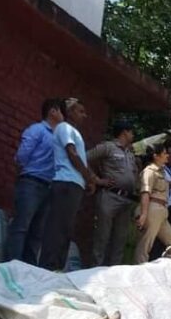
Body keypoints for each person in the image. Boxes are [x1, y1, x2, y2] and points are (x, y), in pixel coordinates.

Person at [39, 98, 101, 270]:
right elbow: (72, 153)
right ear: (70, 112)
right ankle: (48, 267)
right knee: (57, 228)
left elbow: (80, 158)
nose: (84, 115)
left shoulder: (74, 131)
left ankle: (57, 268)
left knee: (65, 228)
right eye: (80, 111)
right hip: (65, 183)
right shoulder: (64, 128)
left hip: (74, 184)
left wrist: (89, 179)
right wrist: (88, 177)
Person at [6, 98, 64, 263]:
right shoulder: (37, 130)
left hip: (48, 187)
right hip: (31, 183)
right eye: (61, 111)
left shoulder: (59, 138)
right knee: (21, 227)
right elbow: (22, 155)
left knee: (37, 232)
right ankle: (12, 263)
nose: (64, 116)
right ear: (52, 111)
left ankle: (28, 267)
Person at [87, 121, 140, 266]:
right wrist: (96, 179)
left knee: (120, 239)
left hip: (126, 199)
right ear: (124, 132)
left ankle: (114, 271)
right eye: (131, 132)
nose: (133, 135)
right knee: (102, 236)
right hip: (110, 196)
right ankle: (95, 269)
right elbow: (84, 158)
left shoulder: (130, 153)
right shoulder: (108, 147)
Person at [134, 145, 171, 264]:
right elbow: (145, 193)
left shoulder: (161, 172)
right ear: (156, 156)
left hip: (162, 210)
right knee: (145, 245)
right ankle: (140, 269)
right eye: (164, 153)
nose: (167, 155)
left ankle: (163, 269)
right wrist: (144, 214)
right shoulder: (149, 171)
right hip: (152, 208)